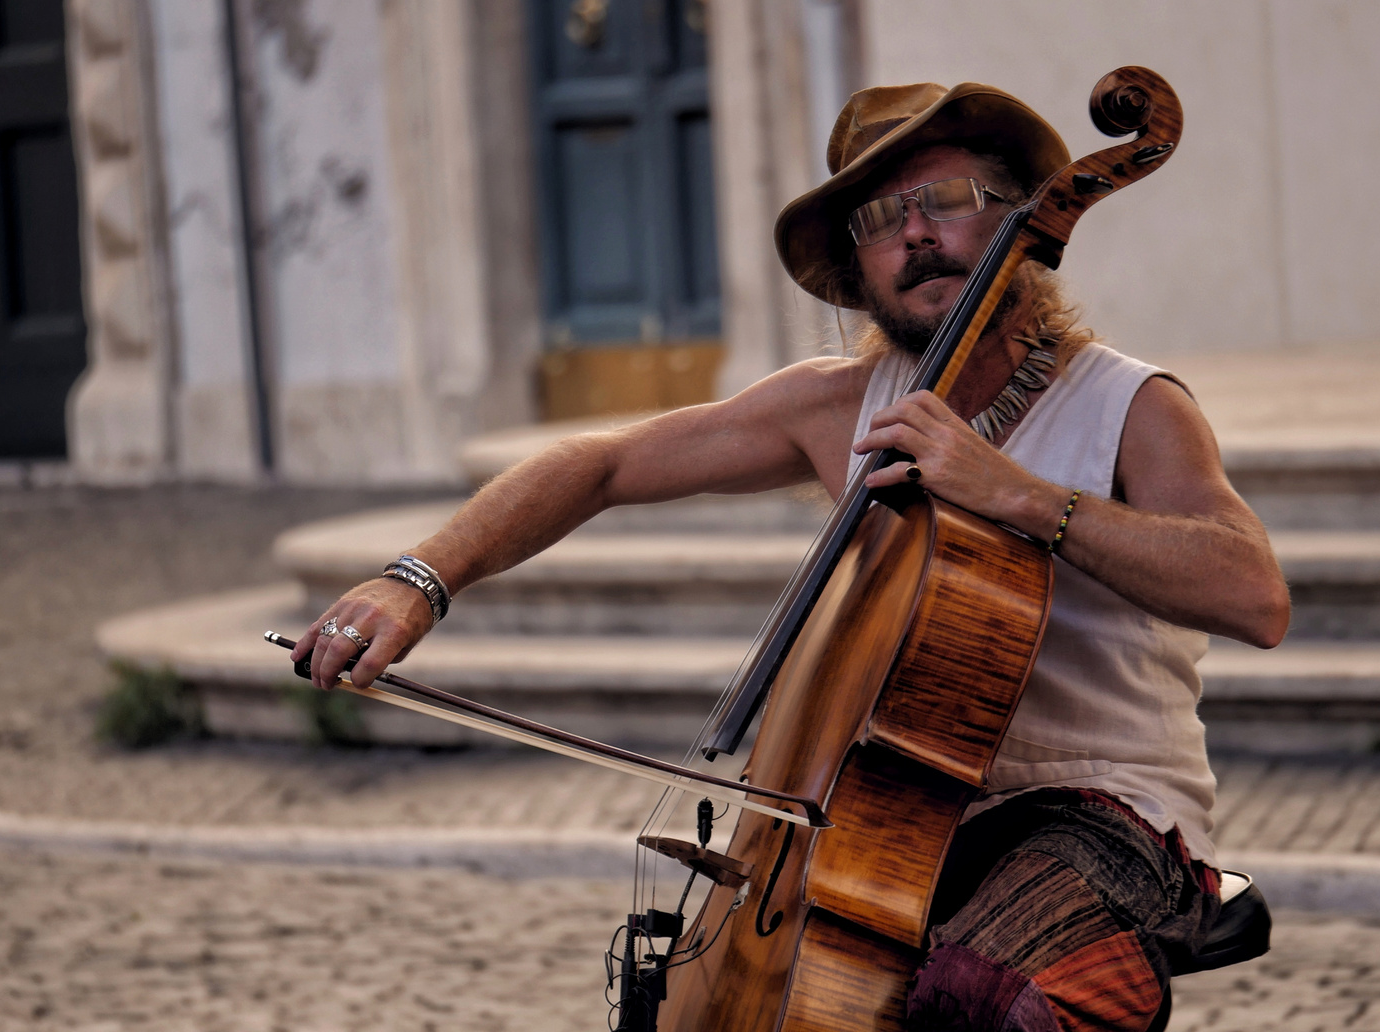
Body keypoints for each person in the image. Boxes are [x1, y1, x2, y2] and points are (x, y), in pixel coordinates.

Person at [292, 81, 1289, 1031]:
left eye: (946, 200)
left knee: (978, 993)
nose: (913, 233)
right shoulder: (836, 408)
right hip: (898, 817)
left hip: (1110, 813)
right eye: (877, 220)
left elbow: (1254, 597)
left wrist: (1019, 496)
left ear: (1022, 220)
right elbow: (599, 464)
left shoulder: (1127, 404)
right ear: (855, 273)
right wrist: (417, 579)